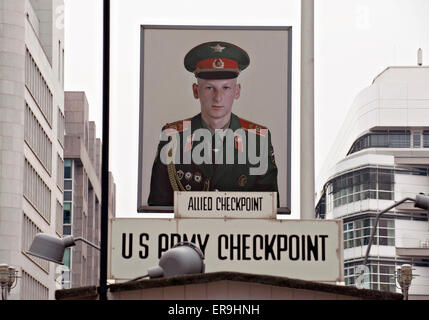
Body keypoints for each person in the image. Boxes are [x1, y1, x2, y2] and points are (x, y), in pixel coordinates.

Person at [148, 41, 279, 206]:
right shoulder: (173, 137)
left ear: (237, 91)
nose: (218, 98)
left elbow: (270, 211)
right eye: (209, 88)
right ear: (196, 91)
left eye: (226, 88)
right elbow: (157, 209)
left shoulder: (258, 140)